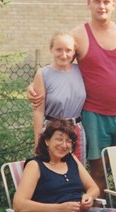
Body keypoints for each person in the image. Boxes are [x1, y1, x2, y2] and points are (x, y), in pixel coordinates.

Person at [28, 0, 116, 193]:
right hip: (94, 116)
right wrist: (33, 86)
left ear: (113, 4)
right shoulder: (78, 36)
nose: (102, 6)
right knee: (97, 173)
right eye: (97, 2)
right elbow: (60, 67)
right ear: (88, 4)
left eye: (106, 2)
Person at [31, 31, 87, 164]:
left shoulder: (81, 71)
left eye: (68, 50)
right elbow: (38, 111)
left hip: (76, 130)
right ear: (51, 49)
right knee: (54, 168)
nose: (64, 55)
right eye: (59, 50)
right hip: (52, 130)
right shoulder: (43, 74)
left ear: (74, 52)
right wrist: (38, 141)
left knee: (78, 170)